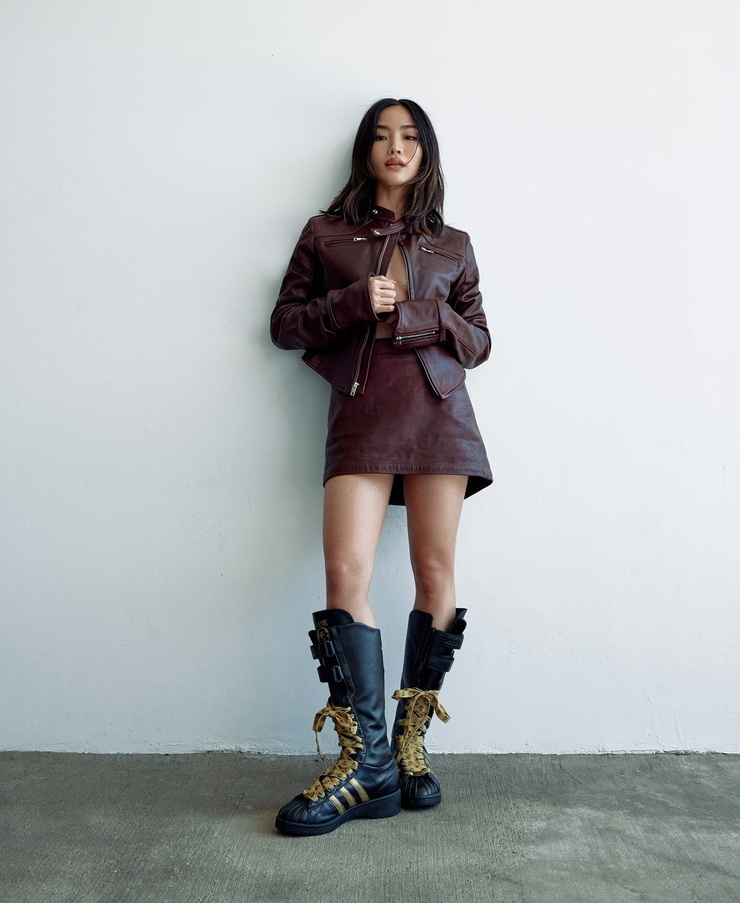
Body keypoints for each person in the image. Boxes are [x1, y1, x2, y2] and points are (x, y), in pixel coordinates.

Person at [270, 98, 492, 836]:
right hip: (362, 413)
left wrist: (429, 314)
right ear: (366, 149)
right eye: (382, 135)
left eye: (410, 136)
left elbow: (479, 341)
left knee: (435, 571)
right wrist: (351, 302)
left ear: (425, 152)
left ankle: (406, 750)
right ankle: (366, 763)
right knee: (345, 572)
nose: (396, 147)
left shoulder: (453, 244)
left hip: (439, 418)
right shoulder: (325, 233)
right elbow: (285, 324)